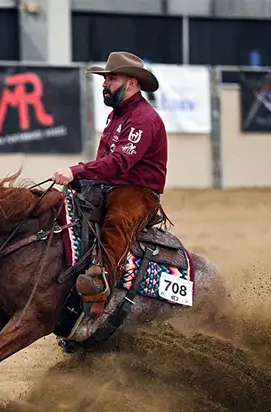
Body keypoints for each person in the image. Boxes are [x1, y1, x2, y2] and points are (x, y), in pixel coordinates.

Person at [51, 51, 168, 316]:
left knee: (117, 220)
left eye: (112, 78)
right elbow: (105, 161)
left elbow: (118, 163)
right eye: (105, 78)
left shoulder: (144, 119)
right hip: (112, 185)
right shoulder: (117, 115)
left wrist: (76, 171)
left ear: (132, 83)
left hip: (138, 192)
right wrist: (83, 178)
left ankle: (100, 286)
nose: (105, 84)